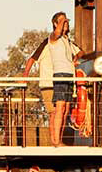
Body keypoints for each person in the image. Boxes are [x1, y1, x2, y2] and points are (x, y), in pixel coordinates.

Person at [35, 11, 81, 146]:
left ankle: (59, 139)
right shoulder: (53, 37)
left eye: (67, 21)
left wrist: (76, 58)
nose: (66, 23)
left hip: (69, 76)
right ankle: (56, 141)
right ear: (55, 24)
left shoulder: (67, 40)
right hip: (60, 75)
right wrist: (62, 21)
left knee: (66, 109)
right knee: (59, 108)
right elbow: (57, 32)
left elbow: (80, 52)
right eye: (62, 21)